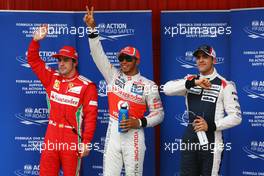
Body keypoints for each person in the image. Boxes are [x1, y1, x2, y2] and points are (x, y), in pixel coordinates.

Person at [84, 6, 164, 176]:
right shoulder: (112, 75)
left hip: (134, 136)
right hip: (113, 131)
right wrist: (92, 29)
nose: (124, 61)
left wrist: (140, 122)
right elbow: (97, 54)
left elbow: (159, 114)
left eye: (128, 58)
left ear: (137, 61)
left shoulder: (148, 84)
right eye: (121, 58)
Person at [27, 25, 98, 176]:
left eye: (66, 60)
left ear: (75, 62)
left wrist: (86, 142)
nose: (61, 63)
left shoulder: (87, 85)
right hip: (51, 135)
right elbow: (33, 60)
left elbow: (91, 117)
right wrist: (35, 41)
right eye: (59, 60)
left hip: (71, 139)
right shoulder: (51, 78)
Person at [163, 45, 242, 176]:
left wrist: (211, 125)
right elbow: (166, 89)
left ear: (214, 60)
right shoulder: (191, 80)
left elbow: (236, 116)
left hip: (212, 141)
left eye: (205, 56)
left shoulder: (225, 84)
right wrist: (194, 82)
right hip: (190, 139)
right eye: (198, 57)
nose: (201, 60)